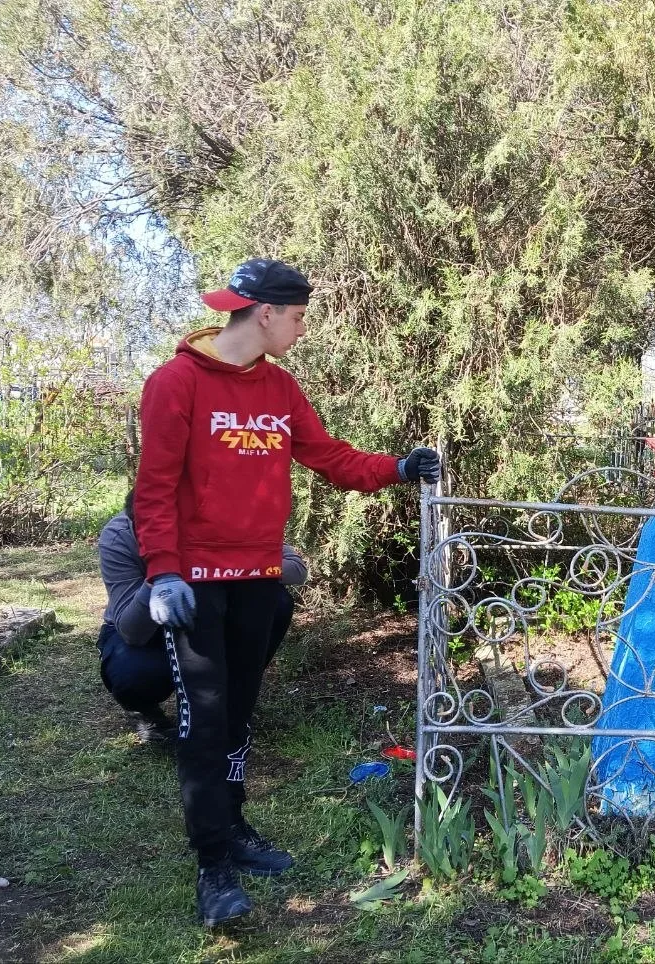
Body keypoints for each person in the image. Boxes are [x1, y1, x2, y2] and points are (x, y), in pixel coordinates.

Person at [134, 258, 442, 926]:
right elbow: (153, 488)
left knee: (239, 712)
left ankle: (237, 828)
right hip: (193, 585)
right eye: (298, 318)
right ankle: (213, 867)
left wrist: (395, 467)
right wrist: (161, 571)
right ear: (265, 313)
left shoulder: (279, 389)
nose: (302, 330)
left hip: (257, 579)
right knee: (203, 720)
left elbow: (327, 455)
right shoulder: (175, 382)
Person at [97, 489, 306, 744]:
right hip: (152, 630)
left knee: (276, 600)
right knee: (132, 674)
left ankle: (231, 699)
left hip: (213, 613)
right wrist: (161, 572)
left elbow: (296, 570)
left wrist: (224, 560)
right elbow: (132, 631)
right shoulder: (118, 536)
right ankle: (145, 709)